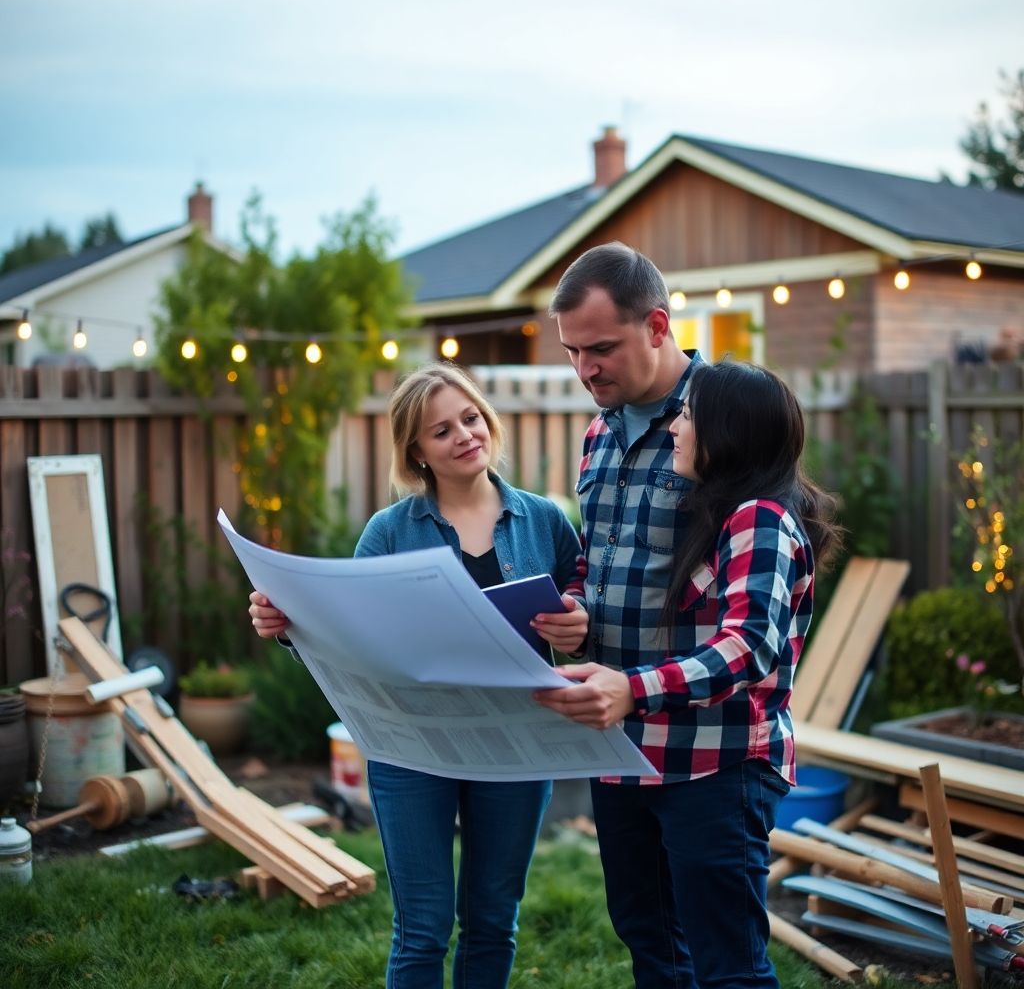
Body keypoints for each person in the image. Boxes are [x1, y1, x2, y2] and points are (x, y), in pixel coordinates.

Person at [534, 242, 840, 989]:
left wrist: (635, 686)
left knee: (725, 960)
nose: (585, 370)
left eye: (600, 348)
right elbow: (596, 560)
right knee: (649, 941)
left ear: (658, 326)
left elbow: (752, 630)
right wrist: (575, 605)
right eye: (572, 352)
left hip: (714, 752)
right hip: (621, 747)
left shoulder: (726, 418)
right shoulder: (597, 432)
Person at [248, 361, 587, 989]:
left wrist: (579, 621)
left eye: (470, 417)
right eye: (441, 430)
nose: (464, 434)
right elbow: (350, 641)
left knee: (492, 919)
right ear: (417, 452)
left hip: (516, 744)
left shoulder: (545, 520)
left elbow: (581, 600)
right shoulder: (389, 532)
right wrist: (287, 624)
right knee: (423, 927)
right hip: (414, 748)